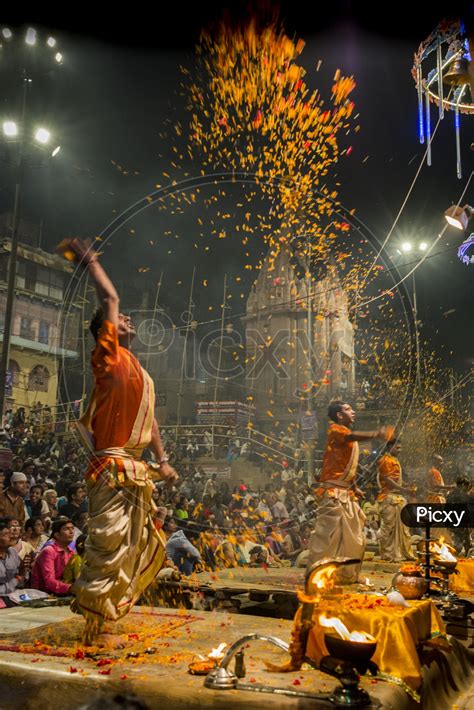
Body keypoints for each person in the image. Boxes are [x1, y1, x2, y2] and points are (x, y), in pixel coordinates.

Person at [59, 237, 178, 647]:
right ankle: (92, 629)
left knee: (131, 546)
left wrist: (163, 462)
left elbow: (152, 423)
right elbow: (109, 295)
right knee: (108, 545)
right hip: (110, 467)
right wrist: (90, 262)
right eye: (120, 318)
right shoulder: (107, 356)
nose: (127, 318)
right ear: (104, 332)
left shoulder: (140, 371)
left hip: (136, 469)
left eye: (124, 317)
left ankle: (106, 619)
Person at [307, 401, 393, 583]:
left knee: (355, 537)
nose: (353, 411)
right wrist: (376, 434)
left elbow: (347, 465)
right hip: (332, 492)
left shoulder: (347, 435)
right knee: (328, 537)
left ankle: (346, 574)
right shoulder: (335, 430)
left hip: (346, 492)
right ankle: (320, 575)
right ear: (339, 415)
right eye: (348, 409)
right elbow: (351, 437)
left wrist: (355, 487)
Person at [377, 440, 415, 562]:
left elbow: (395, 480)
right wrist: (403, 488)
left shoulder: (395, 460)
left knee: (404, 528)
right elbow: (387, 479)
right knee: (389, 527)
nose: (400, 450)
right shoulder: (384, 460)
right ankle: (387, 554)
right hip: (388, 497)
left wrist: (406, 485)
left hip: (398, 498)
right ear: (389, 447)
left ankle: (400, 552)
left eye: (400, 448)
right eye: (397, 448)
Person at [30, 517, 75, 596]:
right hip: (42, 594)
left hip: (61, 592)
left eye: (72, 528)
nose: (71, 532)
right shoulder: (49, 551)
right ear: (57, 535)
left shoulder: (71, 552)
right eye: (66, 529)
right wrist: (71, 588)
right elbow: (49, 581)